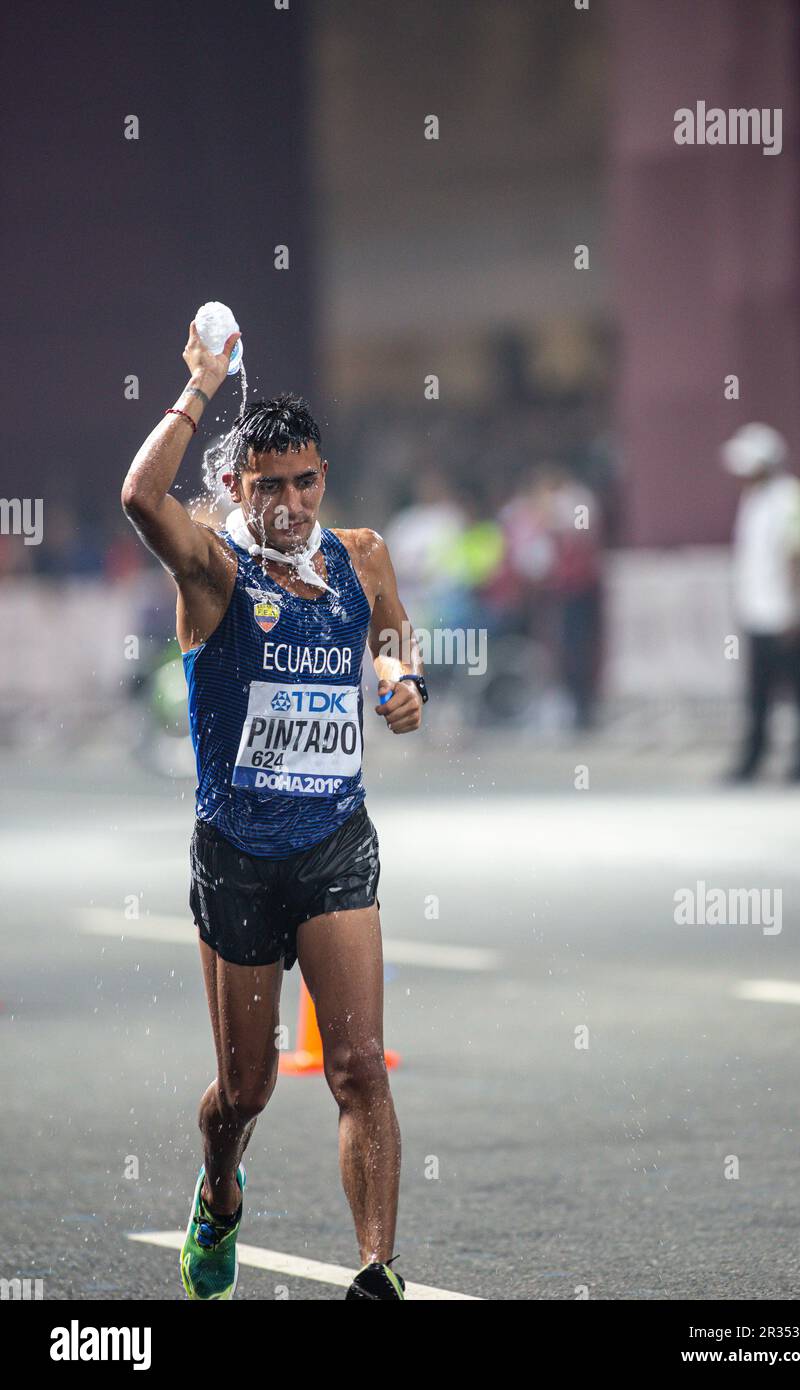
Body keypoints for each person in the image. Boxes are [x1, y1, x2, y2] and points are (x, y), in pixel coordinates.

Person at [121, 321, 428, 1300]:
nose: (290, 504)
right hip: (239, 857)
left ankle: (375, 1270)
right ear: (239, 491)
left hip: (333, 842)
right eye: (268, 487)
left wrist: (398, 676)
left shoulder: (363, 554)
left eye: (304, 483)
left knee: (357, 1068)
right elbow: (137, 496)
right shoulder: (212, 569)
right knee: (245, 1091)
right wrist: (201, 385)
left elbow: (390, 633)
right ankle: (218, 1193)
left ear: (321, 477)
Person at [721, 422, 800, 782]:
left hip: (788, 615)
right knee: (757, 694)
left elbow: (796, 553)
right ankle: (753, 759)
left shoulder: (792, 497)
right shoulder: (753, 500)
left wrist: (794, 610)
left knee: (799, 693)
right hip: (758, 612)